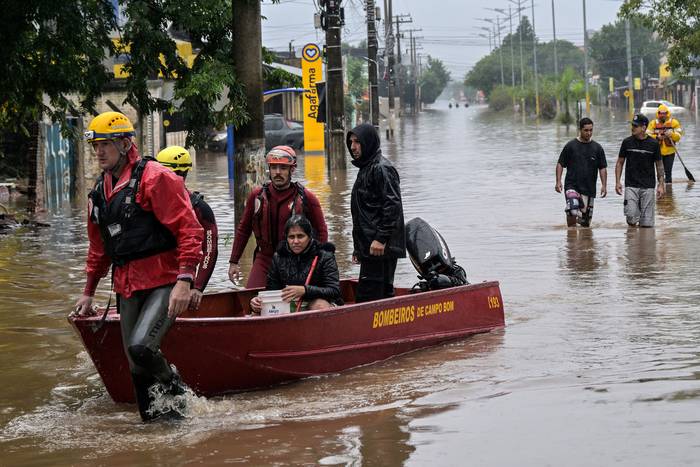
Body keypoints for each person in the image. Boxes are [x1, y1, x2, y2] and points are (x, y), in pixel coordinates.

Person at [73, 112, 204, 422]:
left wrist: (185, 281)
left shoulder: (156, 178)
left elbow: (189, 228)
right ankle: (156, 425)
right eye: (96, 146)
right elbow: (99, 247)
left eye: (105, 144)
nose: (99, 152)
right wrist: (89, 292)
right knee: (135, 365)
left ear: (124, 142)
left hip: (163, 279)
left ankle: (178, 391)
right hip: (127, 283)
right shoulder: (99, 192)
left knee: (141, 347)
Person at [228, 145, 328, 288]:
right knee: (252, 299)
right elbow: (243, 230)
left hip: (296, 260)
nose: (277, 172)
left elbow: (321, 231)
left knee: (295, 302)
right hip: (265, 259)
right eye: (274, 168)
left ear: (292, 170)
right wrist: (233, 261)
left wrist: (319, 263)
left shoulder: (307, 198)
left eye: (283, 168)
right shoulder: (256, 197)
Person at [347, 123, 405, 303]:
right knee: (376, 297)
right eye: (350, 142)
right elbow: (364, 212)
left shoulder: (381, 168)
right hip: (370, 247)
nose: (353, 147)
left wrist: (381, 239)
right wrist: (359, 248)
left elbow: (392, 205)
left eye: (357, 142)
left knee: (369, 299)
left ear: (369, 142)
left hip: (380, 247)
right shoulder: (366, 167)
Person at [156, 145, 218, 311]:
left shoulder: (200, 208)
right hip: (152, 280)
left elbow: (209, 250)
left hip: (183, 281)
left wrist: (197, 287)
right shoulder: (150, 204)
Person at [250, 215, 342, 313]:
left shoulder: (325, 256)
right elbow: (272, 290)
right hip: (289, 303)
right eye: (291, 237)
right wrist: (258, 300)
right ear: (286, 238)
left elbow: (334, 291)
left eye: (300, 236)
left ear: (310, 236)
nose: (296, 241)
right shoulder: (279, 257)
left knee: (320, 306)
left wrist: (305, 290)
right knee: (258, 310)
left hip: (319, 302)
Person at [555, 117, 608, 227]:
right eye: (586, 130)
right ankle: (571, 234)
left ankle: (583, 241)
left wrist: (604, 185)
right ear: (580, 130)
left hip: (589, 189)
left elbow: (602, 168)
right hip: (572, 186)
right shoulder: (570, 146)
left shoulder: (597, 148)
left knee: (585, 225)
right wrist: (558, 181)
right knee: (572, 210)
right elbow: (560, 164)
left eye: (591, 130)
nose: (589, 133)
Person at [615, 113, 665, 227]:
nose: (632, 127)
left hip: (648, 186)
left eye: (635, 126)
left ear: (644, 128)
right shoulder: (627, 142)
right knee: (632, 217)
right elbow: (620, 162)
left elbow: (659, 165)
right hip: (631, 185)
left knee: (647, 225)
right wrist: (617, 181)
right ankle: (632, 238)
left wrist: (661, 184)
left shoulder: (653, 144)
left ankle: (643, 243)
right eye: (632, 125)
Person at [646, 104, 683, 183]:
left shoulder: (674, 122)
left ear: (667, 113)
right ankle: (660, 189)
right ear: (658, 114)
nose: (663, 115)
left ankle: (669, 191)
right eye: (661, 113)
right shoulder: (653, 123)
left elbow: (679, 136)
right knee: (659, 173)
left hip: (670, 152)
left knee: (668, 172)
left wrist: (671, 134)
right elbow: (647, 136)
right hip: (657, 152)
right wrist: (656, 137)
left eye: (664, 113)